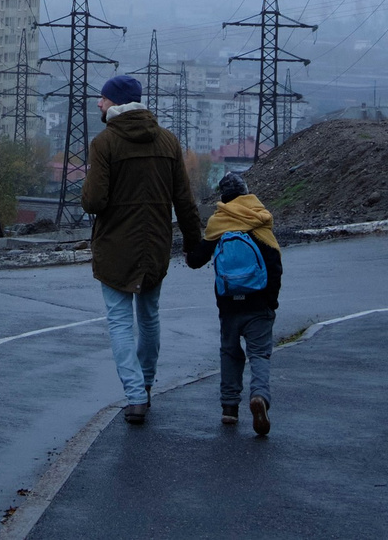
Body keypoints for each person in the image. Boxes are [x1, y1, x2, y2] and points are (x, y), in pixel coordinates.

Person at [81, 74, 205, 424]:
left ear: (116, 103)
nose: (99, 104)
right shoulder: (168, 141)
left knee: (120, 322)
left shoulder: (104, 144)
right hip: (155, 246)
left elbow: (94, 201)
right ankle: (147, 385)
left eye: (102, 99)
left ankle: (135, 395)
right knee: (149, 317)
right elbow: (184, 200)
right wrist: (194, 246)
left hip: (114, 248)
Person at [185, 171, 283, 436]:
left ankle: (229, 409)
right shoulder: (259, 218)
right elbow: (274, 264)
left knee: (230, 353)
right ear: (246, 192)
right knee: (259, 354)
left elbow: (194, 260)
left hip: (229, 305)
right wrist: (270, 302)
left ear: (224, 197)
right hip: (259, 303)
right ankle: (259, 397)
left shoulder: (220, 223)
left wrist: (190, 239)